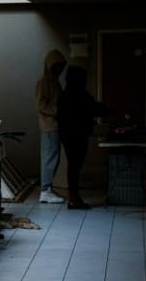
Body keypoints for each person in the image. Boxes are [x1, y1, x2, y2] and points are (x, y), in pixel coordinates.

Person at [57, 65, 111, 209]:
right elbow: (93, 107)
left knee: (73, 166)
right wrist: (111, 111)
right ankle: (74, 199)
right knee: (75, 166)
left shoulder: (67, 93)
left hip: (68, 135)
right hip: (77, 135)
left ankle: (73, 197)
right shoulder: (79, 93)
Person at [35, 49, 67, 203]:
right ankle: (45, 191)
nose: (59, 69)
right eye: (56, 66)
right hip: (49, 126)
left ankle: (47, 189)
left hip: (54, 125)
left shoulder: (54, 81)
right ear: (49, 65)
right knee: (50, 159)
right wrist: (57, 112)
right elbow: (40, 105)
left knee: (53, 158)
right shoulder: (44, 82)